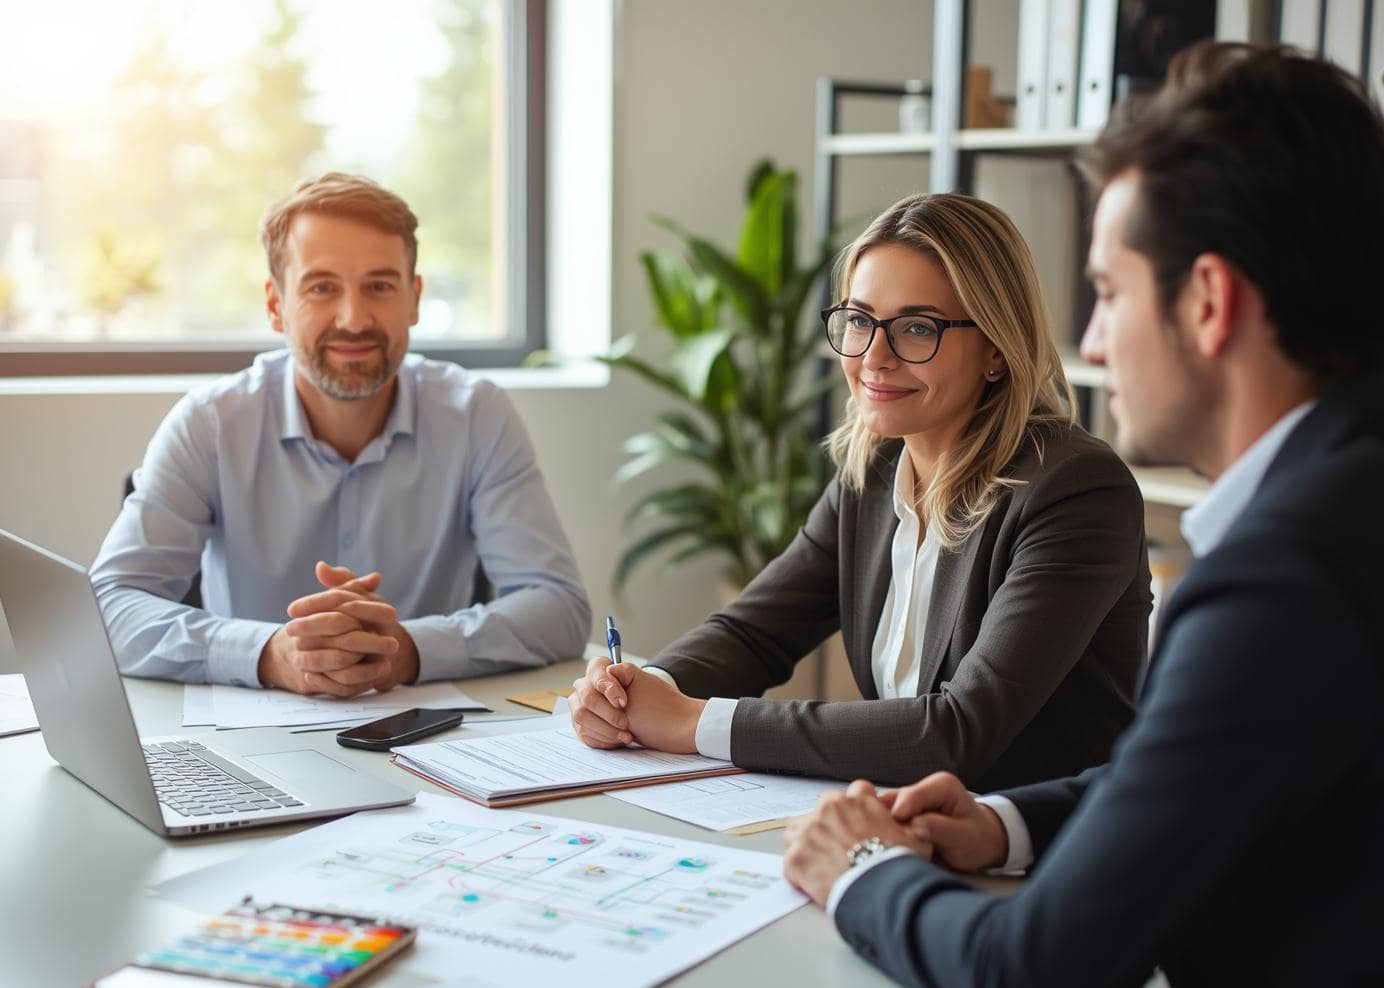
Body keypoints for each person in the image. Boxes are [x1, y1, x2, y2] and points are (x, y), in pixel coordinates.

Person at [782, 42, 1384, 988]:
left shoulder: (1286, 577)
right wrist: (1004, 822)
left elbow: (1032, 981)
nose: (1091, 343)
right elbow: (1214, 765)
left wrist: (857, 869)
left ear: (1206, 301)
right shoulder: (1346, 503)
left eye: (1106, 291)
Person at [571, 192, 1151, 790]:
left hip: (1034, 850)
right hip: (902, 827)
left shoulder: (1076, 491)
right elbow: (756, 631)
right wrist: (643, 690)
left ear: (997, 350)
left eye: (917, 328)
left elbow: (957, 732)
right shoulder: (875, 469)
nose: (874, 356)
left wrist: (696, 722)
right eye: (859, 319)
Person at [90, 173, 591, 694]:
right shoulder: (211, 423)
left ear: (413, 298)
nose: (353, 320)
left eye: (379, 286)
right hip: (247, 739)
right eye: (322, 287)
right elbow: (109, 607)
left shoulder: (475, 415)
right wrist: (267, 655)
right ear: (275, 304)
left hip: (432, 739)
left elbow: (559, 606)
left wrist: (408, 650)